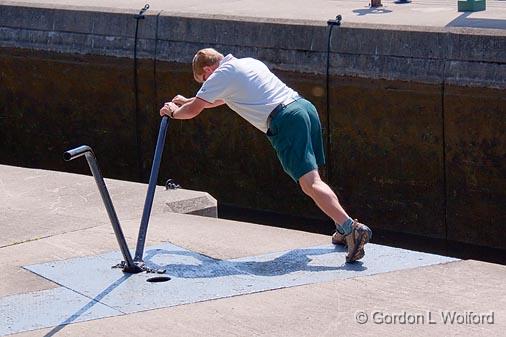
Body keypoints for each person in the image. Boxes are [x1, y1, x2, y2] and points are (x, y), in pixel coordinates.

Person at [160, 48, 372, 262]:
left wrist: (173, 112)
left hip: (285, 120)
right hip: (303, 108)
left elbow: (195, 110)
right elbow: (221, 99)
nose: (206, 84)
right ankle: (342, 228)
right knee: (315, 179)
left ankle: (350, 228)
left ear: (208, 69)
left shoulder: (220, 75)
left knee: (310, 183)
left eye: (203, 80)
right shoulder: (246, 62)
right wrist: (189, 100)